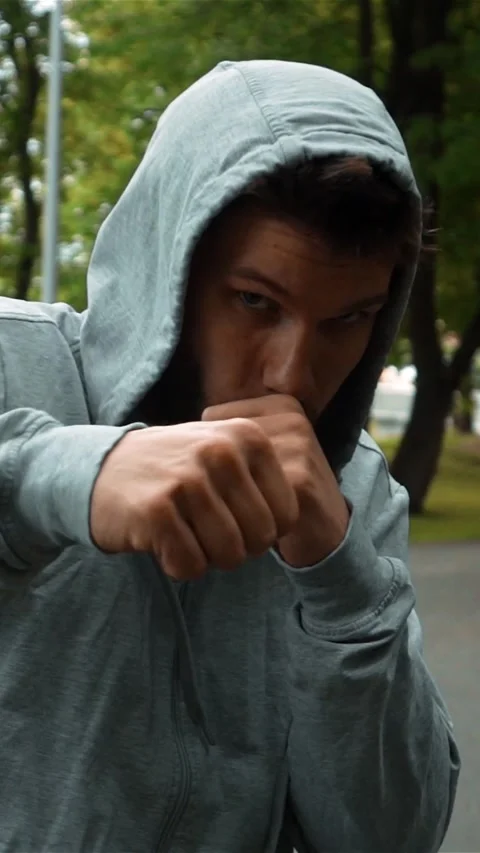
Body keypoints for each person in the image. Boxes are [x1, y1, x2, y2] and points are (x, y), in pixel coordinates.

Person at [0, 60, 459, 852]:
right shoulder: (16, 361)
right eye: (256, 302)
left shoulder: (356, 495)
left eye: (350, 319)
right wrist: (62, 476)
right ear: (169, 271)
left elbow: (391, 835)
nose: (292, 375)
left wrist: (342, 588)